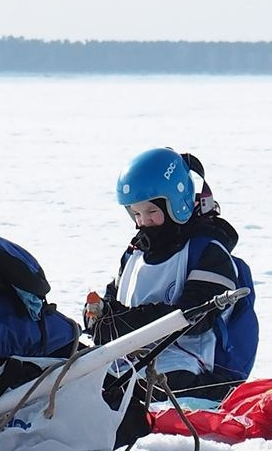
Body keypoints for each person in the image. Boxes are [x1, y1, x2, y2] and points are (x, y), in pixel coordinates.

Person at [84, 148, 258, 398]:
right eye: (136, 213)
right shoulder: (136, 253)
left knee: (124, 394)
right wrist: (99, 315)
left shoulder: (208, 252)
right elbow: (115, 301)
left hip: (193, 369)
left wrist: (123, 324)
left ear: (177, 204)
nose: (143, 221)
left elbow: (193, 317)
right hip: (134, 361)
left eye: (151, 212)